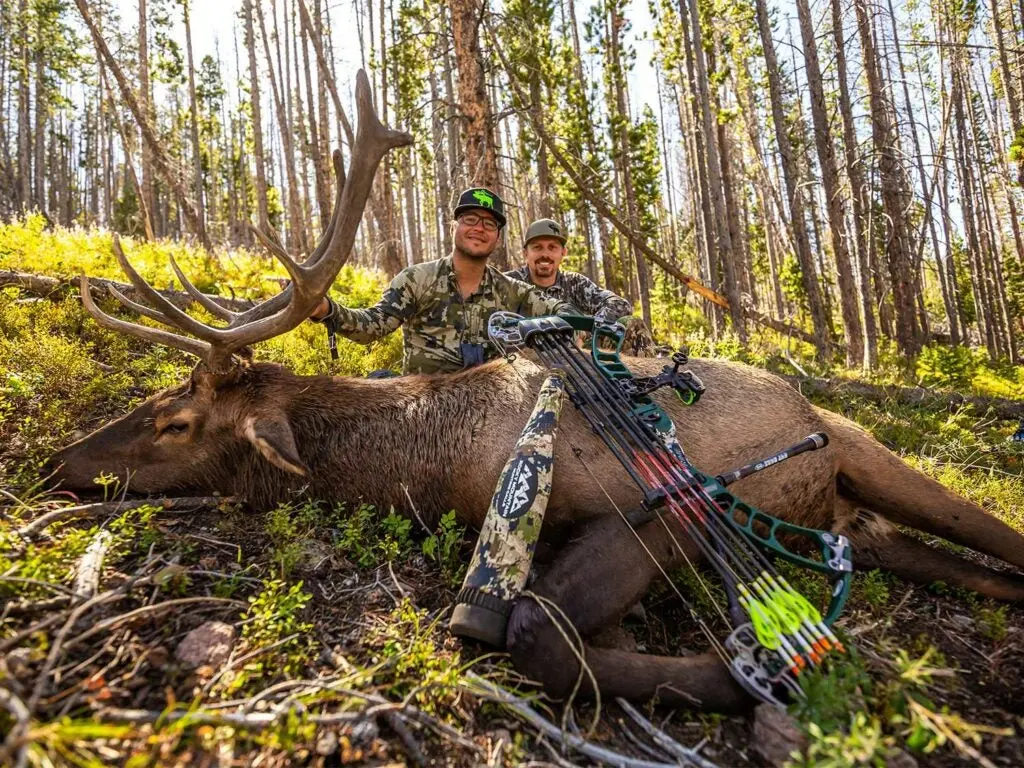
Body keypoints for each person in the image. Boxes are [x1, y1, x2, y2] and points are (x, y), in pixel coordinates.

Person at [309, 189, 574, 375]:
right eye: (470, 219)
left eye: (489, 224)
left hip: (490, 413)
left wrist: (549, 333)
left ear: (497, 238)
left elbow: (565, 314)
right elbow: (371, 326)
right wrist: (326, 310)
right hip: (425, 410)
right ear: (453, 228)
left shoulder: (512, 291)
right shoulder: (416, 279)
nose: (479, 228)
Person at [506, 218, 655, 355]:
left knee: (632, 324)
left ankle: (645, 380)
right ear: (526, 253)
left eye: (552, 248)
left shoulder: (575, 283)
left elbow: (620, 305)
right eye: (537, 247)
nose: (545, 254)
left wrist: (584, 330)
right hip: (527, 356)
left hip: (577, 355)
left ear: (563, 253)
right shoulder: (509, 283)